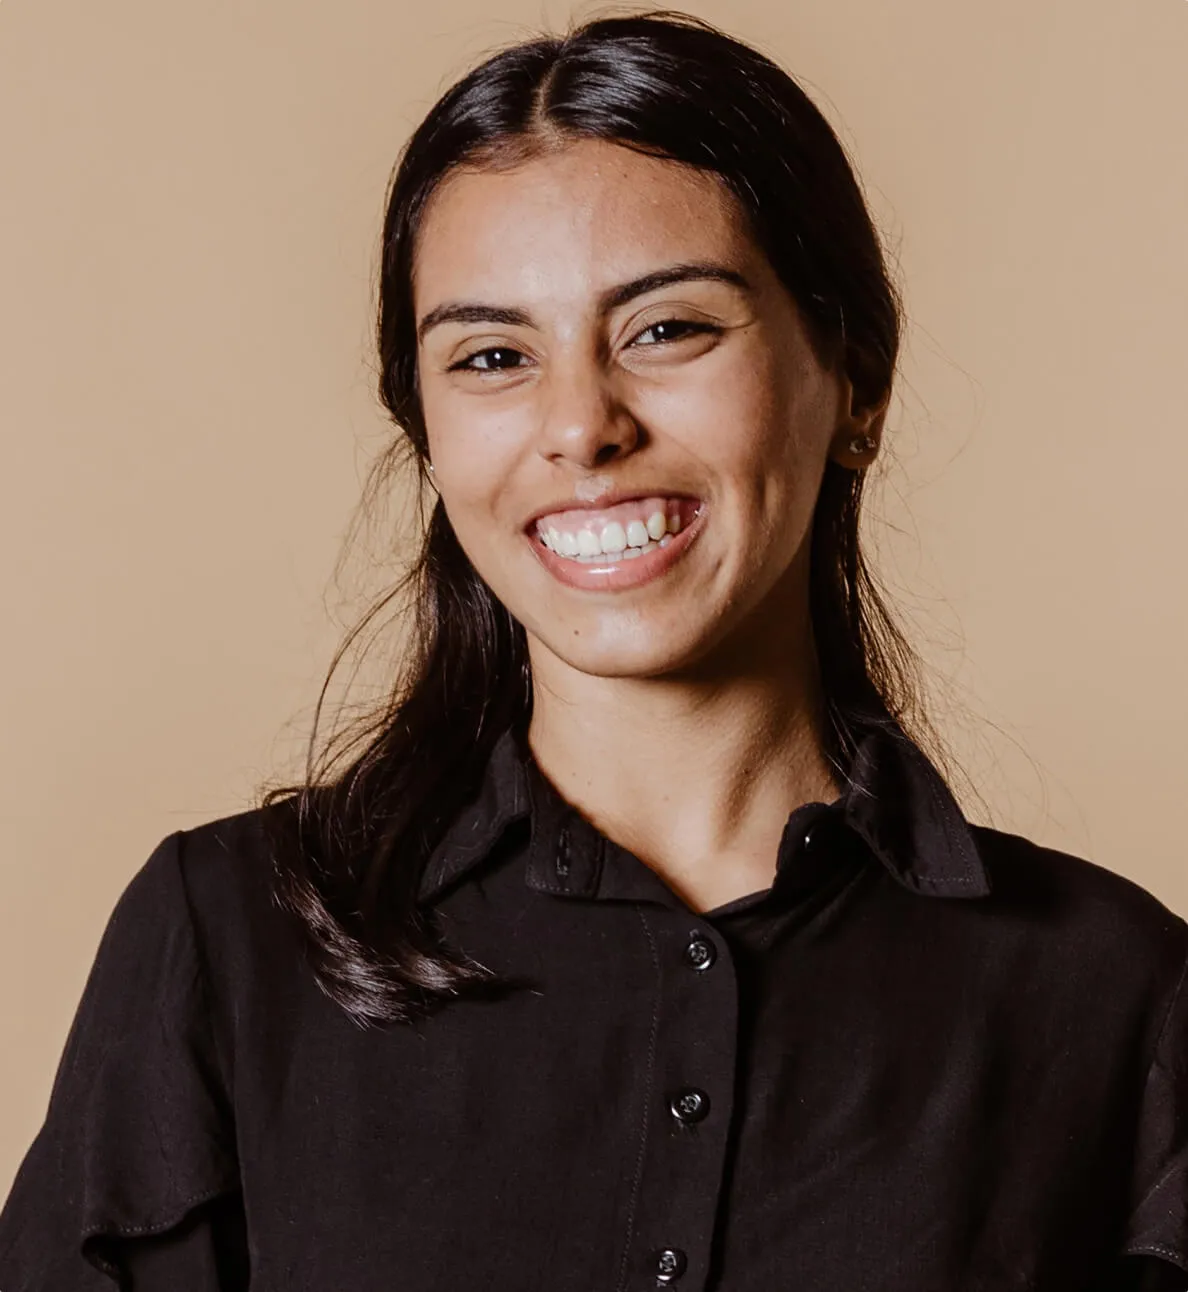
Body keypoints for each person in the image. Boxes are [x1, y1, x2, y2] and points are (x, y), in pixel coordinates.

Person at [1, 10, 1185, 1290]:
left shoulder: (1118, 994)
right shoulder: (233, 939)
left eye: (667, 329)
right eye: (492, 356)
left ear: (856, 381)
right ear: (428, 438)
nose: (581, 424)